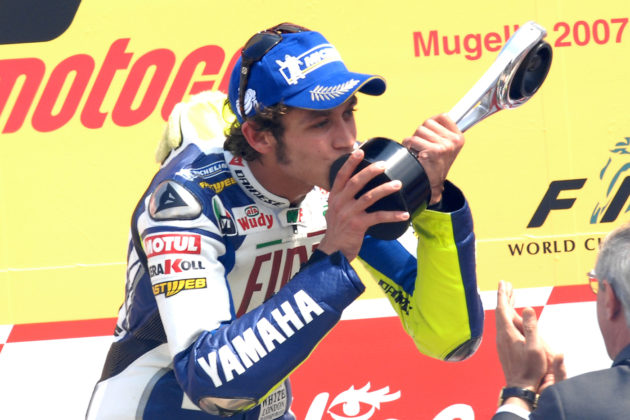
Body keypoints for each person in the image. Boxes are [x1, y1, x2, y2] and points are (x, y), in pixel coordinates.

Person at [86, 23, 484, 419]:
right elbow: (211, 383)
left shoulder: (341, 184)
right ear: (259, 136)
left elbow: (450, 337)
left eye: (348, 113)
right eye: (320, 123)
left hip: (265, 408)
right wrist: (332, 256)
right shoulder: (188, 200)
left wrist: (434, 205)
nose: (346, 139)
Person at [493, 222, 630, 419]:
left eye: (595, 282)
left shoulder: (575, 404)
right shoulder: (572, 403)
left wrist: (520, 389)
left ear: (610, 298)